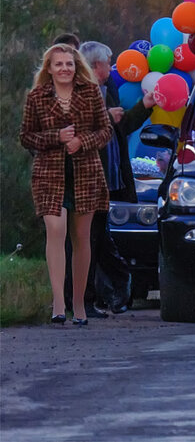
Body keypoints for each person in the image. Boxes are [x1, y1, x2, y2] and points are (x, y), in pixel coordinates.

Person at [20, 43, 113, 326]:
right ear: (49, 68)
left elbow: (106, 130)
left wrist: (81, 141)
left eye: (69, 64)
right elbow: (26, 137)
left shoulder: (91, 92)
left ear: (77, 67)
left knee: (81, 238)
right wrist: (56, 137)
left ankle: (79, 304)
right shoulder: (36, 97)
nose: (64, 68)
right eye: (58, 64)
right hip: (49, 175)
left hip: (85, 174)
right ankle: (58, 304)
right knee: (56, 230)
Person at [76, 41, 155, 314]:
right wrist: (106, 117)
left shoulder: (107, 91)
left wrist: (145, 106)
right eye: (108, 63)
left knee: (98, 240)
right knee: (92, 241)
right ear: (95, 66)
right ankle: (88, 299)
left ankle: (98, 296)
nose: (111, 68)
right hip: (88, 180)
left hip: (109, 179)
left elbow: (121, 129)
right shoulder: (79, 93)